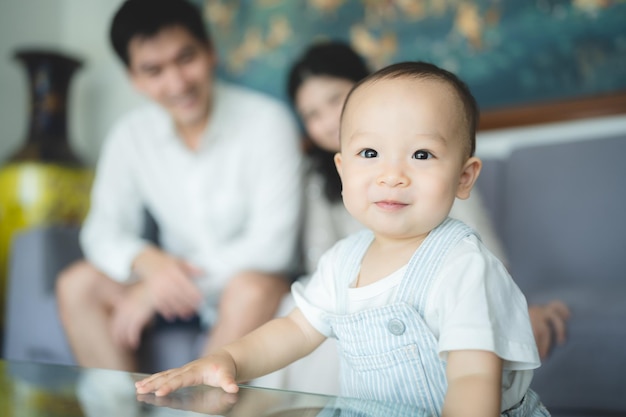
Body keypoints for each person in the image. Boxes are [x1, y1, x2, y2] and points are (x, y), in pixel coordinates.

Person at [136, 61, 550, 416]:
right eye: (369, 154)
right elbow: (295, 331)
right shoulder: (343, 261)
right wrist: (225, 358)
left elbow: (474, 375)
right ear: (341, 168)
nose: (392, 175)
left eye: (421, 155)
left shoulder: (462, 264)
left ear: (464, 177)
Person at [55, 0, 303, 372]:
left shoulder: (268, 122)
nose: (177, 83)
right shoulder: (129, 136)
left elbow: (272, 246)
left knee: (253, 286)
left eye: (186, 58)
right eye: (153, 70)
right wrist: (145, 261)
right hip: (174, 298)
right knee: (77, 284)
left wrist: (157, 289)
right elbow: (101, 231)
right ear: (134, 79)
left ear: (210, 51)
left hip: (244, 289)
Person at [288, 41, 569, 360]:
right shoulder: (328, 219)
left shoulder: (438, 192)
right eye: (312, 114)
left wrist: (512, 310)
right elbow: (318, 269)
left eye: (335, 100)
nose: (328, 121)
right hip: (352, 307)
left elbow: (483, 259)